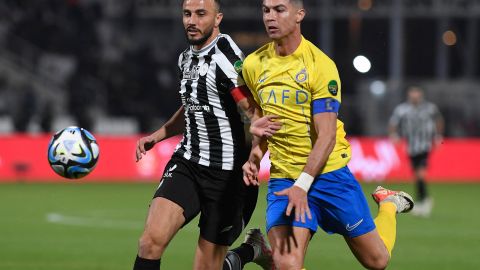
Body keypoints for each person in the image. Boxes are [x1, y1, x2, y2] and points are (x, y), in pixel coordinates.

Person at [241, 0, 415, 269]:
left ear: (299, 14)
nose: (270, 17)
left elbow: (327, 136)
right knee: (288, 265)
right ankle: (267, 251)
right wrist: (255, 155)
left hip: (328, 175)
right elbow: (264, 120)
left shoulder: (320, 66)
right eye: (265, 10)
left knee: (377, 261)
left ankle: (388, 203)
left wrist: (304, 184)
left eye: (279, 9)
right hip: (285, 178)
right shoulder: (254, 64)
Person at [132, 1, 280, 269]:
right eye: (187, 14)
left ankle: (250, 250)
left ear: (217, 18)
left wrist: (255, 157)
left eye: (201, 14)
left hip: (226, 177)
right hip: (188, 162)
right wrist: (159, 134)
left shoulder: (227, 59)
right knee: (149, 242)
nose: (192, 21)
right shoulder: (185, 57)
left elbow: (252, 112)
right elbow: (193, 104)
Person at [389, 86, 444, 217]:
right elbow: (393, 123)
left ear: (421, 95)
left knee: (421, 174)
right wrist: (394, 135)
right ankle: (421, 200)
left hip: (425, 145)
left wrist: (438, 135)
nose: (415, 96)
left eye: (417, 94)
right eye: (412, 94)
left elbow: (439, 120)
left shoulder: (430, 108)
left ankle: (424, 200)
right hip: (411, 146)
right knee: (417, 174)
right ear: (409, 95)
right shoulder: (402, 109)